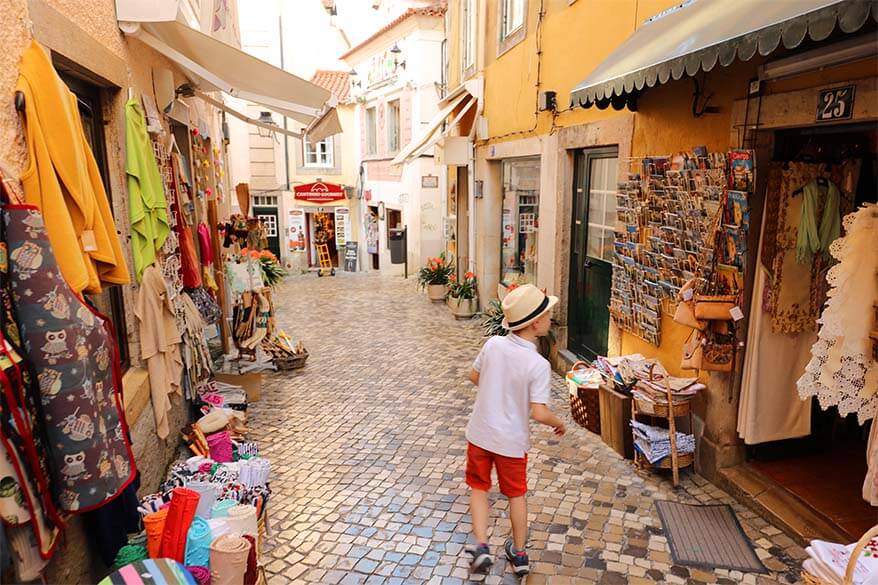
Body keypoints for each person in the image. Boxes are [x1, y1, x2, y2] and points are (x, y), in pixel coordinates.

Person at [464, 284, 567, 576]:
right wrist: (558, 423)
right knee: (516, 495)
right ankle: (520, 555)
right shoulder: (538, 364)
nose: (550, 316)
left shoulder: (493, 345)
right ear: (535, 323)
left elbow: (474, 376)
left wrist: (496, 387)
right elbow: (539, 412)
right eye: (547, 312)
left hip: (481, 434)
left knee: (479, 488)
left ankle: (482, 546)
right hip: (510, 442)